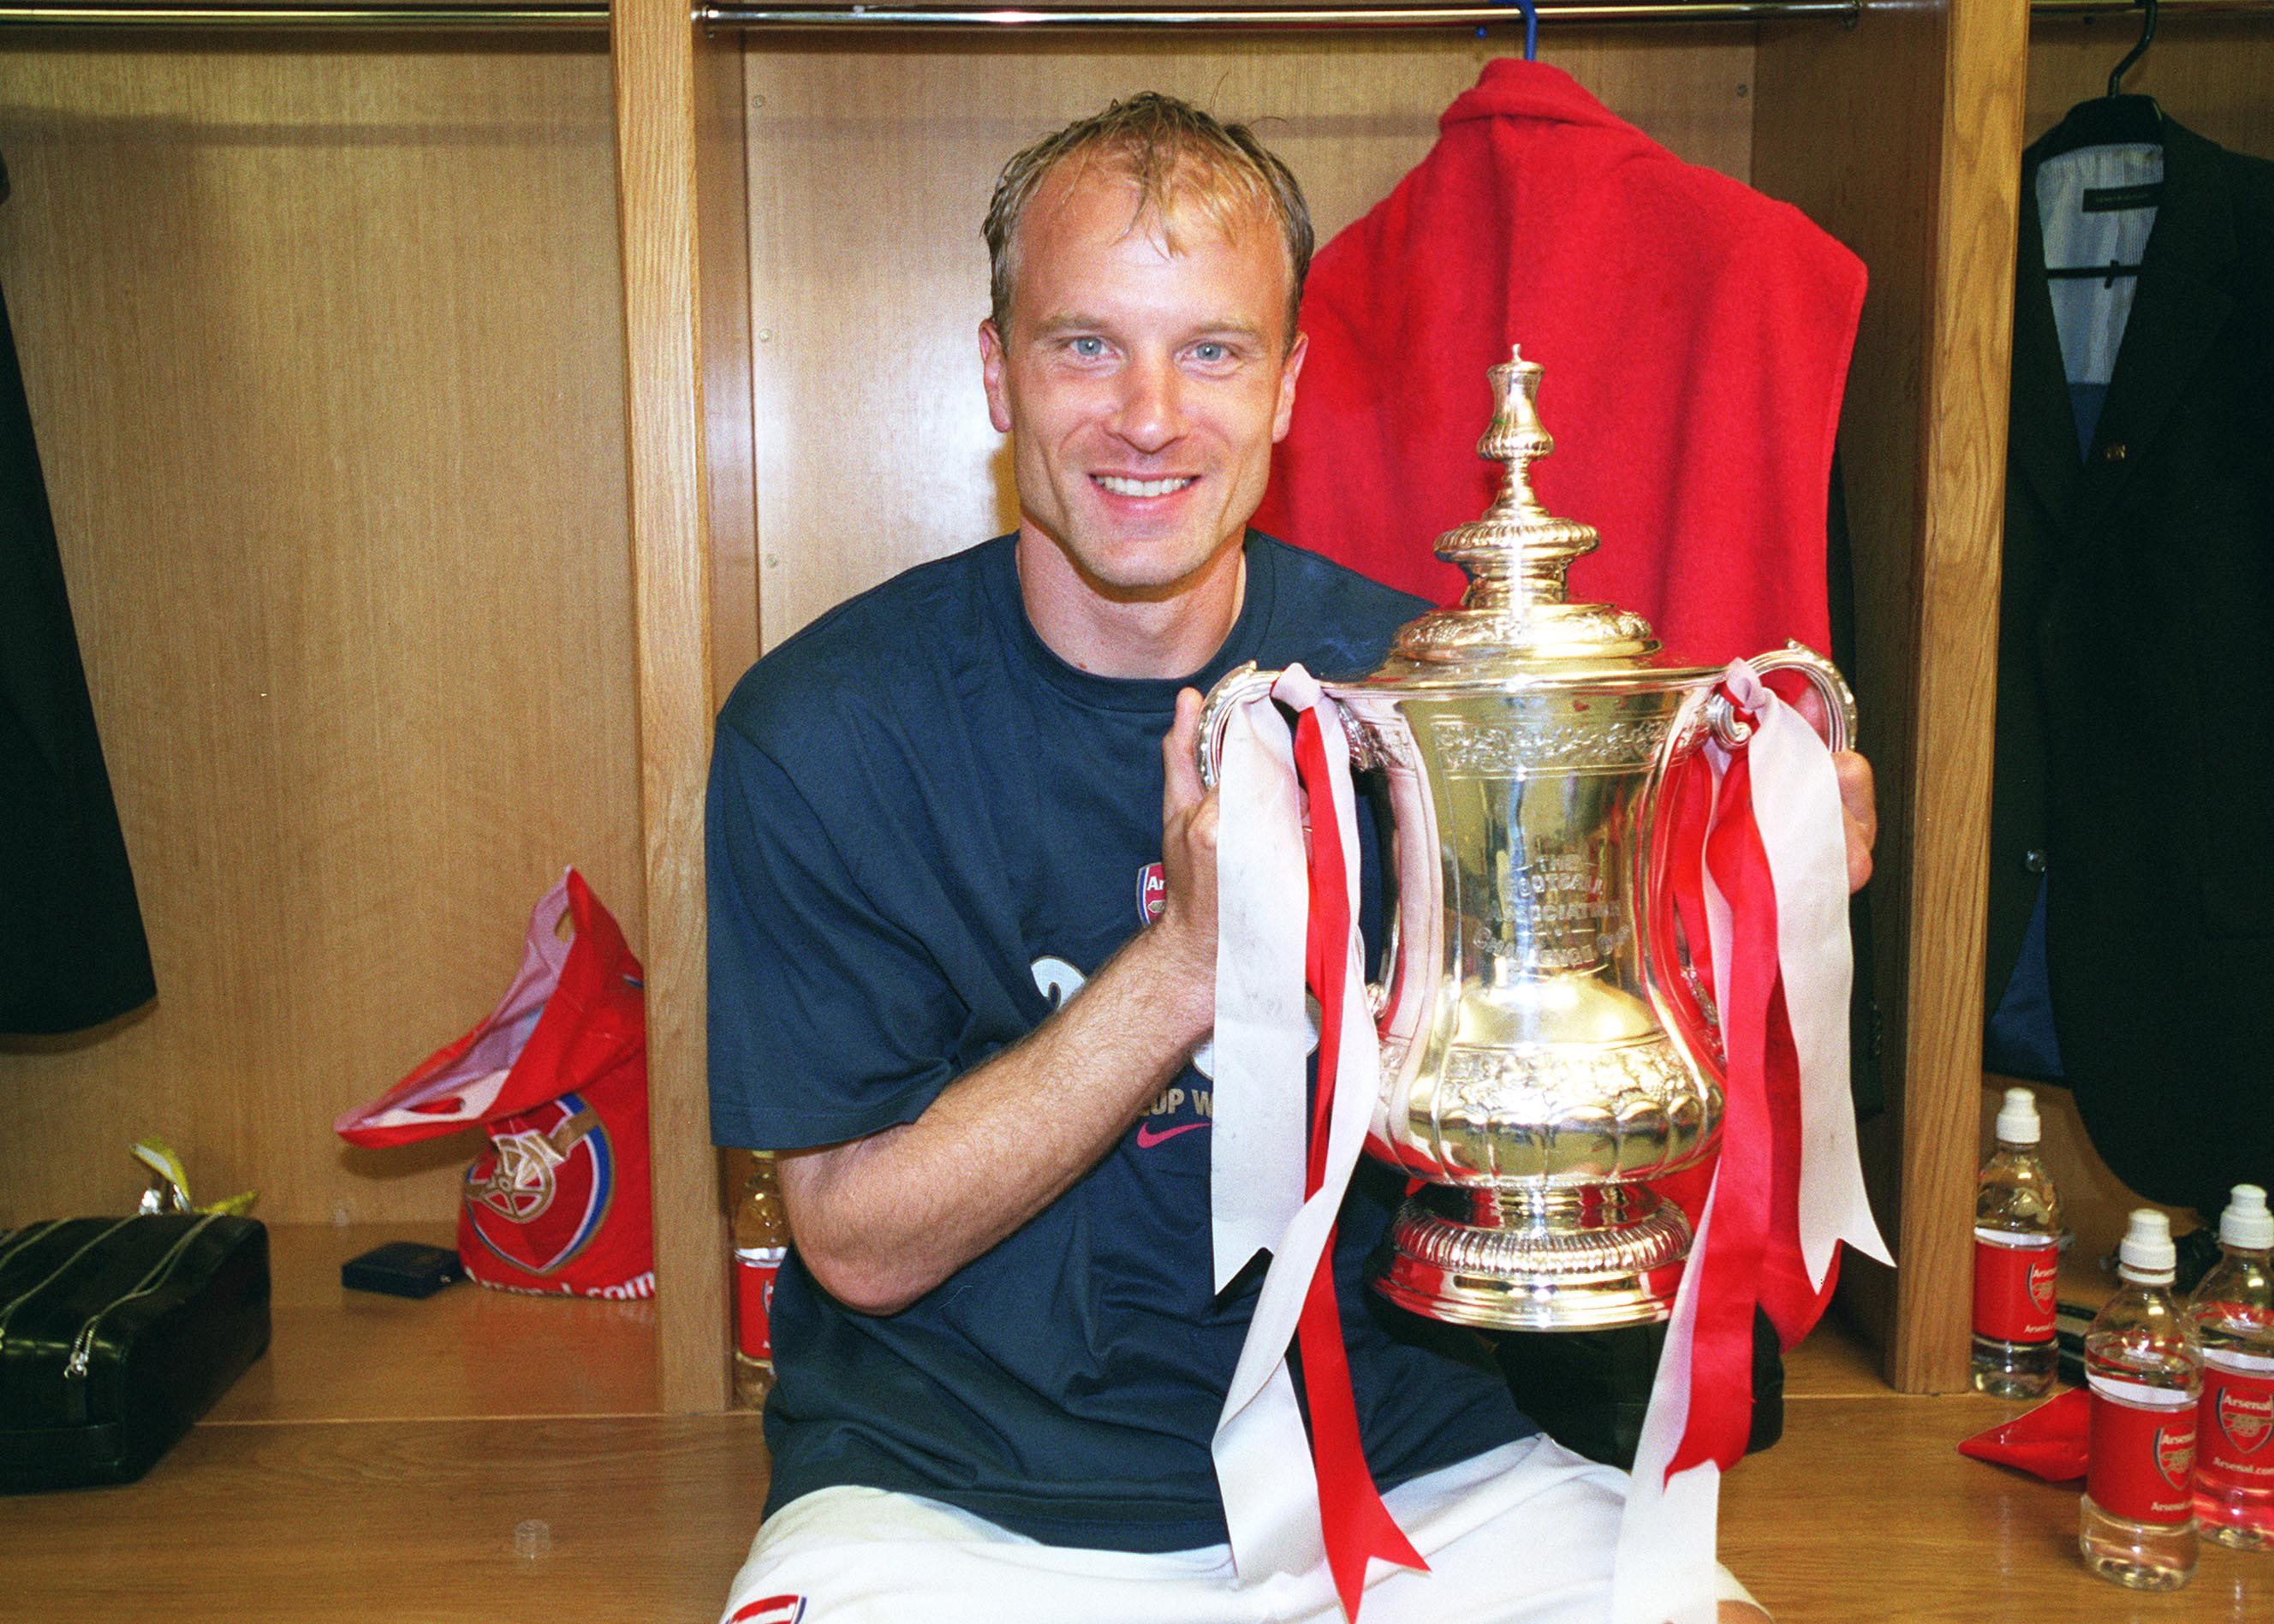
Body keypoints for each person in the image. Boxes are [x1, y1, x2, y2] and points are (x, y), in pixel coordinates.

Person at [707, 92, 1872, 1624]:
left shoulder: (1434, 695)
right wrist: (1189, 967)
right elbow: (849, 1240)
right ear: (997, 372)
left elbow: (1568, 1079)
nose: (1147, 414)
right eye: (1084, 345)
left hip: (1426, 1478)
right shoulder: (826, 727)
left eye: (1211, 349)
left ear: (1290, 382)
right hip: (958, 1502)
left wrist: (1736, 896)